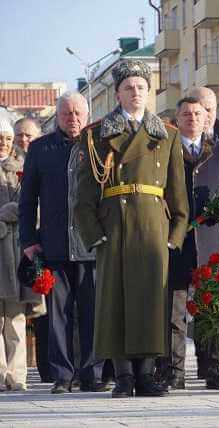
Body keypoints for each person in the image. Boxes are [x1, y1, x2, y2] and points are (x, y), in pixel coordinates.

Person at [74, 60, 188, 398]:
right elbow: (83, 196)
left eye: (141, 86)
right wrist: (95, 235)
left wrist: (175, 234)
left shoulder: (166, 134)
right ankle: (123, 375)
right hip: (115, 227)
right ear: (118, 94)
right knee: (115, 302)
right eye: (128, 87)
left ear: (148, 91)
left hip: (154, 227)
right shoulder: (97, 135)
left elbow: (177, 190)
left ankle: (146, 374)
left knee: (152, 302)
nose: (135, 92)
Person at [19, 92, 105, 394]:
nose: (73, 119)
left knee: (92, 312)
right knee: (58, 316)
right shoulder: (41, 149)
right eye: (67, 113)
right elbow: (27, 199)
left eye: (78, 113)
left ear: (87, 114)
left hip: (91, 244)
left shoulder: (98, 146)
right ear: (58, 115)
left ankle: (92, 373)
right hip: (53, 245)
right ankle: (63, 375)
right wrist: (28, 240)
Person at [185, 86, 219, 389]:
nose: (205, 114)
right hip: (185, 235)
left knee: (214, 302)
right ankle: (178, 367)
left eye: (210, 108)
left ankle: (215, 365)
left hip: (217, 236)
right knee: (183, 304)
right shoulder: (176, 146)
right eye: (199, 108)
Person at [0, 119, 44, 392]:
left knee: (16, 318)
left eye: (5, 138)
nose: (2, 142)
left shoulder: (24, 166)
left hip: (16, 251)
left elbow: (36, 203)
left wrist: (17, 212)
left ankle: (17, 375)